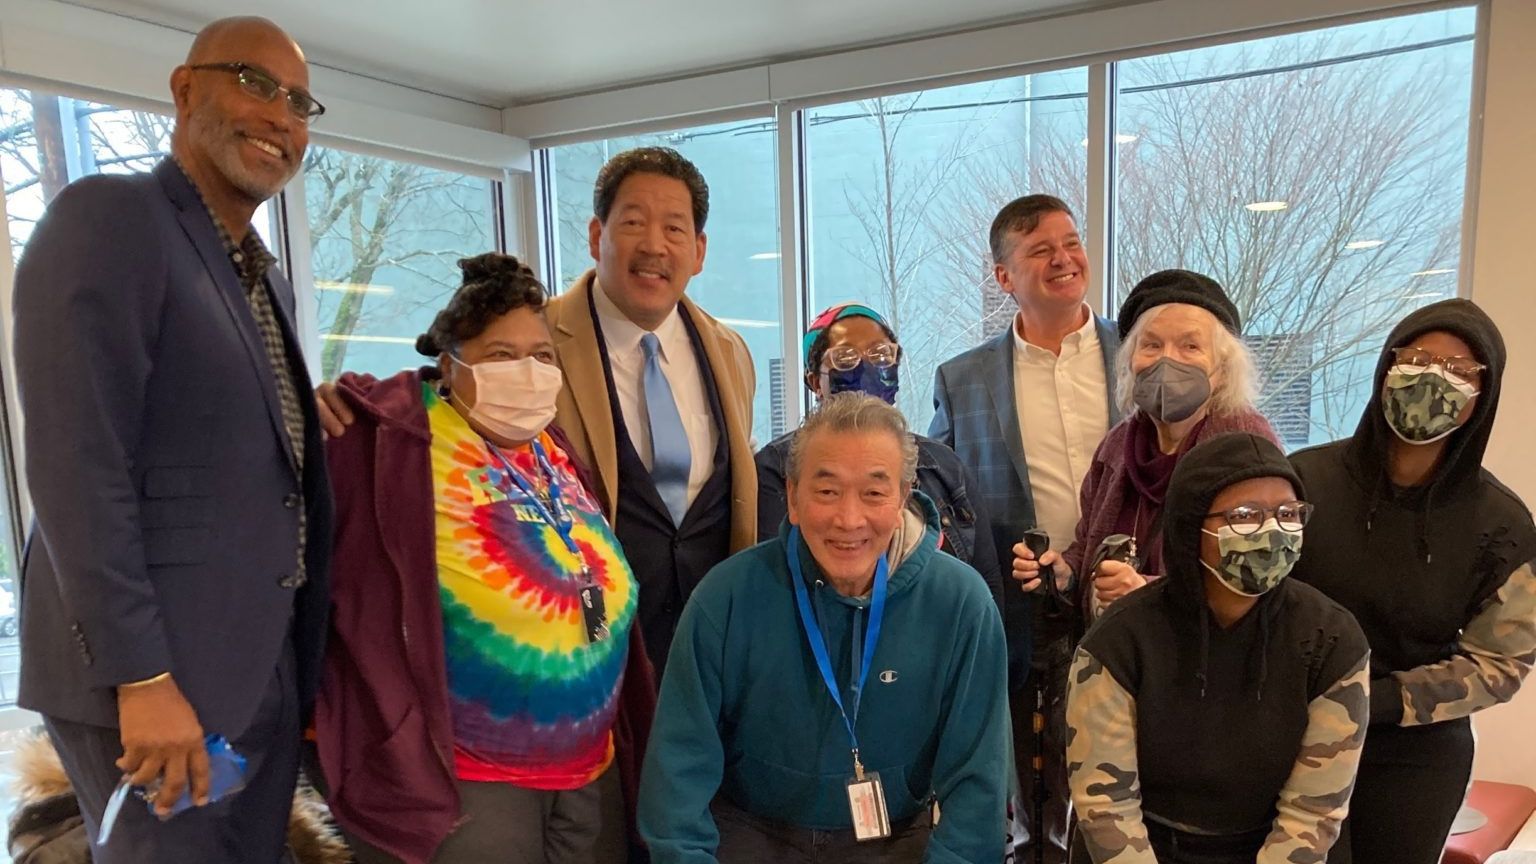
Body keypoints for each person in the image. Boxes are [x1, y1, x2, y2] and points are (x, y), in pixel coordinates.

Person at [11, 17, 333, 863]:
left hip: (256, 665)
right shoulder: (111, 220)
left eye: (299, 102)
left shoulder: (263, 279)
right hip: (154, 681)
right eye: (254, 83)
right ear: (185, 90)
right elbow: (78, 467)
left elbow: (229, 445)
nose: (279, 115)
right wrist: (141, 678)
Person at [317, 147, 756, 681]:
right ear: (597, 236)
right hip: (571, 650)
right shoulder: (531, 338)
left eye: (674, 229)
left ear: (699, 249)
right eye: (634, 222)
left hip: (710, 645)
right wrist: (346, 404)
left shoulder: (729, 351)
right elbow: (447, 391)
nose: (653, 246)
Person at [314, 254, 655, 864]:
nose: (526, 372)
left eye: (541, 355)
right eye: (500, 355)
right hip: (474, 777)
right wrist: (310, 415)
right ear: (450, 362)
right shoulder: (397, 441)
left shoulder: (554, 452)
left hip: (587, 767)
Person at [640, 393, 1010, 864]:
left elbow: (979, 787)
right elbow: (677, 773)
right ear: (792, 497)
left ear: (903, 497)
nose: (848, 519)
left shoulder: (961, 603)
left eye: (874, 492)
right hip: (750, 830)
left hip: (896, 837)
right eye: (827, 491)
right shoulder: (726, 597)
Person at [1287, 299, 1536, 864]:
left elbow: (1501, 663)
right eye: (1419, 357)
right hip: (1297, 732)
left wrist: (1384, 701)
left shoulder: (1501, 524)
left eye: (1458, 369)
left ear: (1483, 395)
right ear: (1387, 366)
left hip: (1414, 754)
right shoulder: (1303, 481)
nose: (1433, 376)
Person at [1067, 432, 1368, 864]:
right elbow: (1106, 807)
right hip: (1141, 848)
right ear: (1192, 526)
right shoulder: (1119, 641)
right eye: (1245, 516)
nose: (1271, 532)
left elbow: (1312, 815)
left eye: (1288, 514)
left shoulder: (1333, 639)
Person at [930, 194, 1118, 863]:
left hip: (1126, 605)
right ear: (1004, 276)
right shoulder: (962, 379)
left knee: (1116, 792)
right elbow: (941, 498)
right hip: (1017, 610)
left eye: (1071, 242)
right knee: (1024, 790)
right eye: (1040, 250)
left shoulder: (1137, 354)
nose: (1064, 259)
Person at [1019, 269, 1278, 627]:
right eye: (1152, 345)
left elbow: (1257, 574)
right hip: (1120, 661)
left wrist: (1148, 591)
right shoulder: (1116, 446)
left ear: (1223, 368)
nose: (1166, 361)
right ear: (1130, 361)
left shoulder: (1249, 448)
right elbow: (1088, 543)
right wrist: (1065, 572)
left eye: (1190, 346)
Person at [756, 303, 1001, 604]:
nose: (867, 368)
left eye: (881, 354)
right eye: (845, 359)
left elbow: (987, 582)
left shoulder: (944, 466)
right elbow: (771, 583)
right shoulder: (777, 467)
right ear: (813, 381)